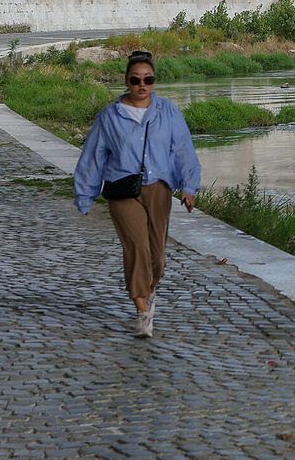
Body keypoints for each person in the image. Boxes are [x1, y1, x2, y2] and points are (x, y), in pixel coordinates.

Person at [73, 50, 201, 338]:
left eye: (148, 79)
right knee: (137, 248)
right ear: (126, 81)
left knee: (157, 258)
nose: (142, 85)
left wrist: (189, 187)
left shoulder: (168, 111)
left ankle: (149, 290)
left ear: (154, 81)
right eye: (136, 80)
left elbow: (183, 151)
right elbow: (93, 156)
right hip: (122, 188)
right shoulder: (109, 116)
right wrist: (85, 195)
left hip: (159, 188)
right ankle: (142, 311)